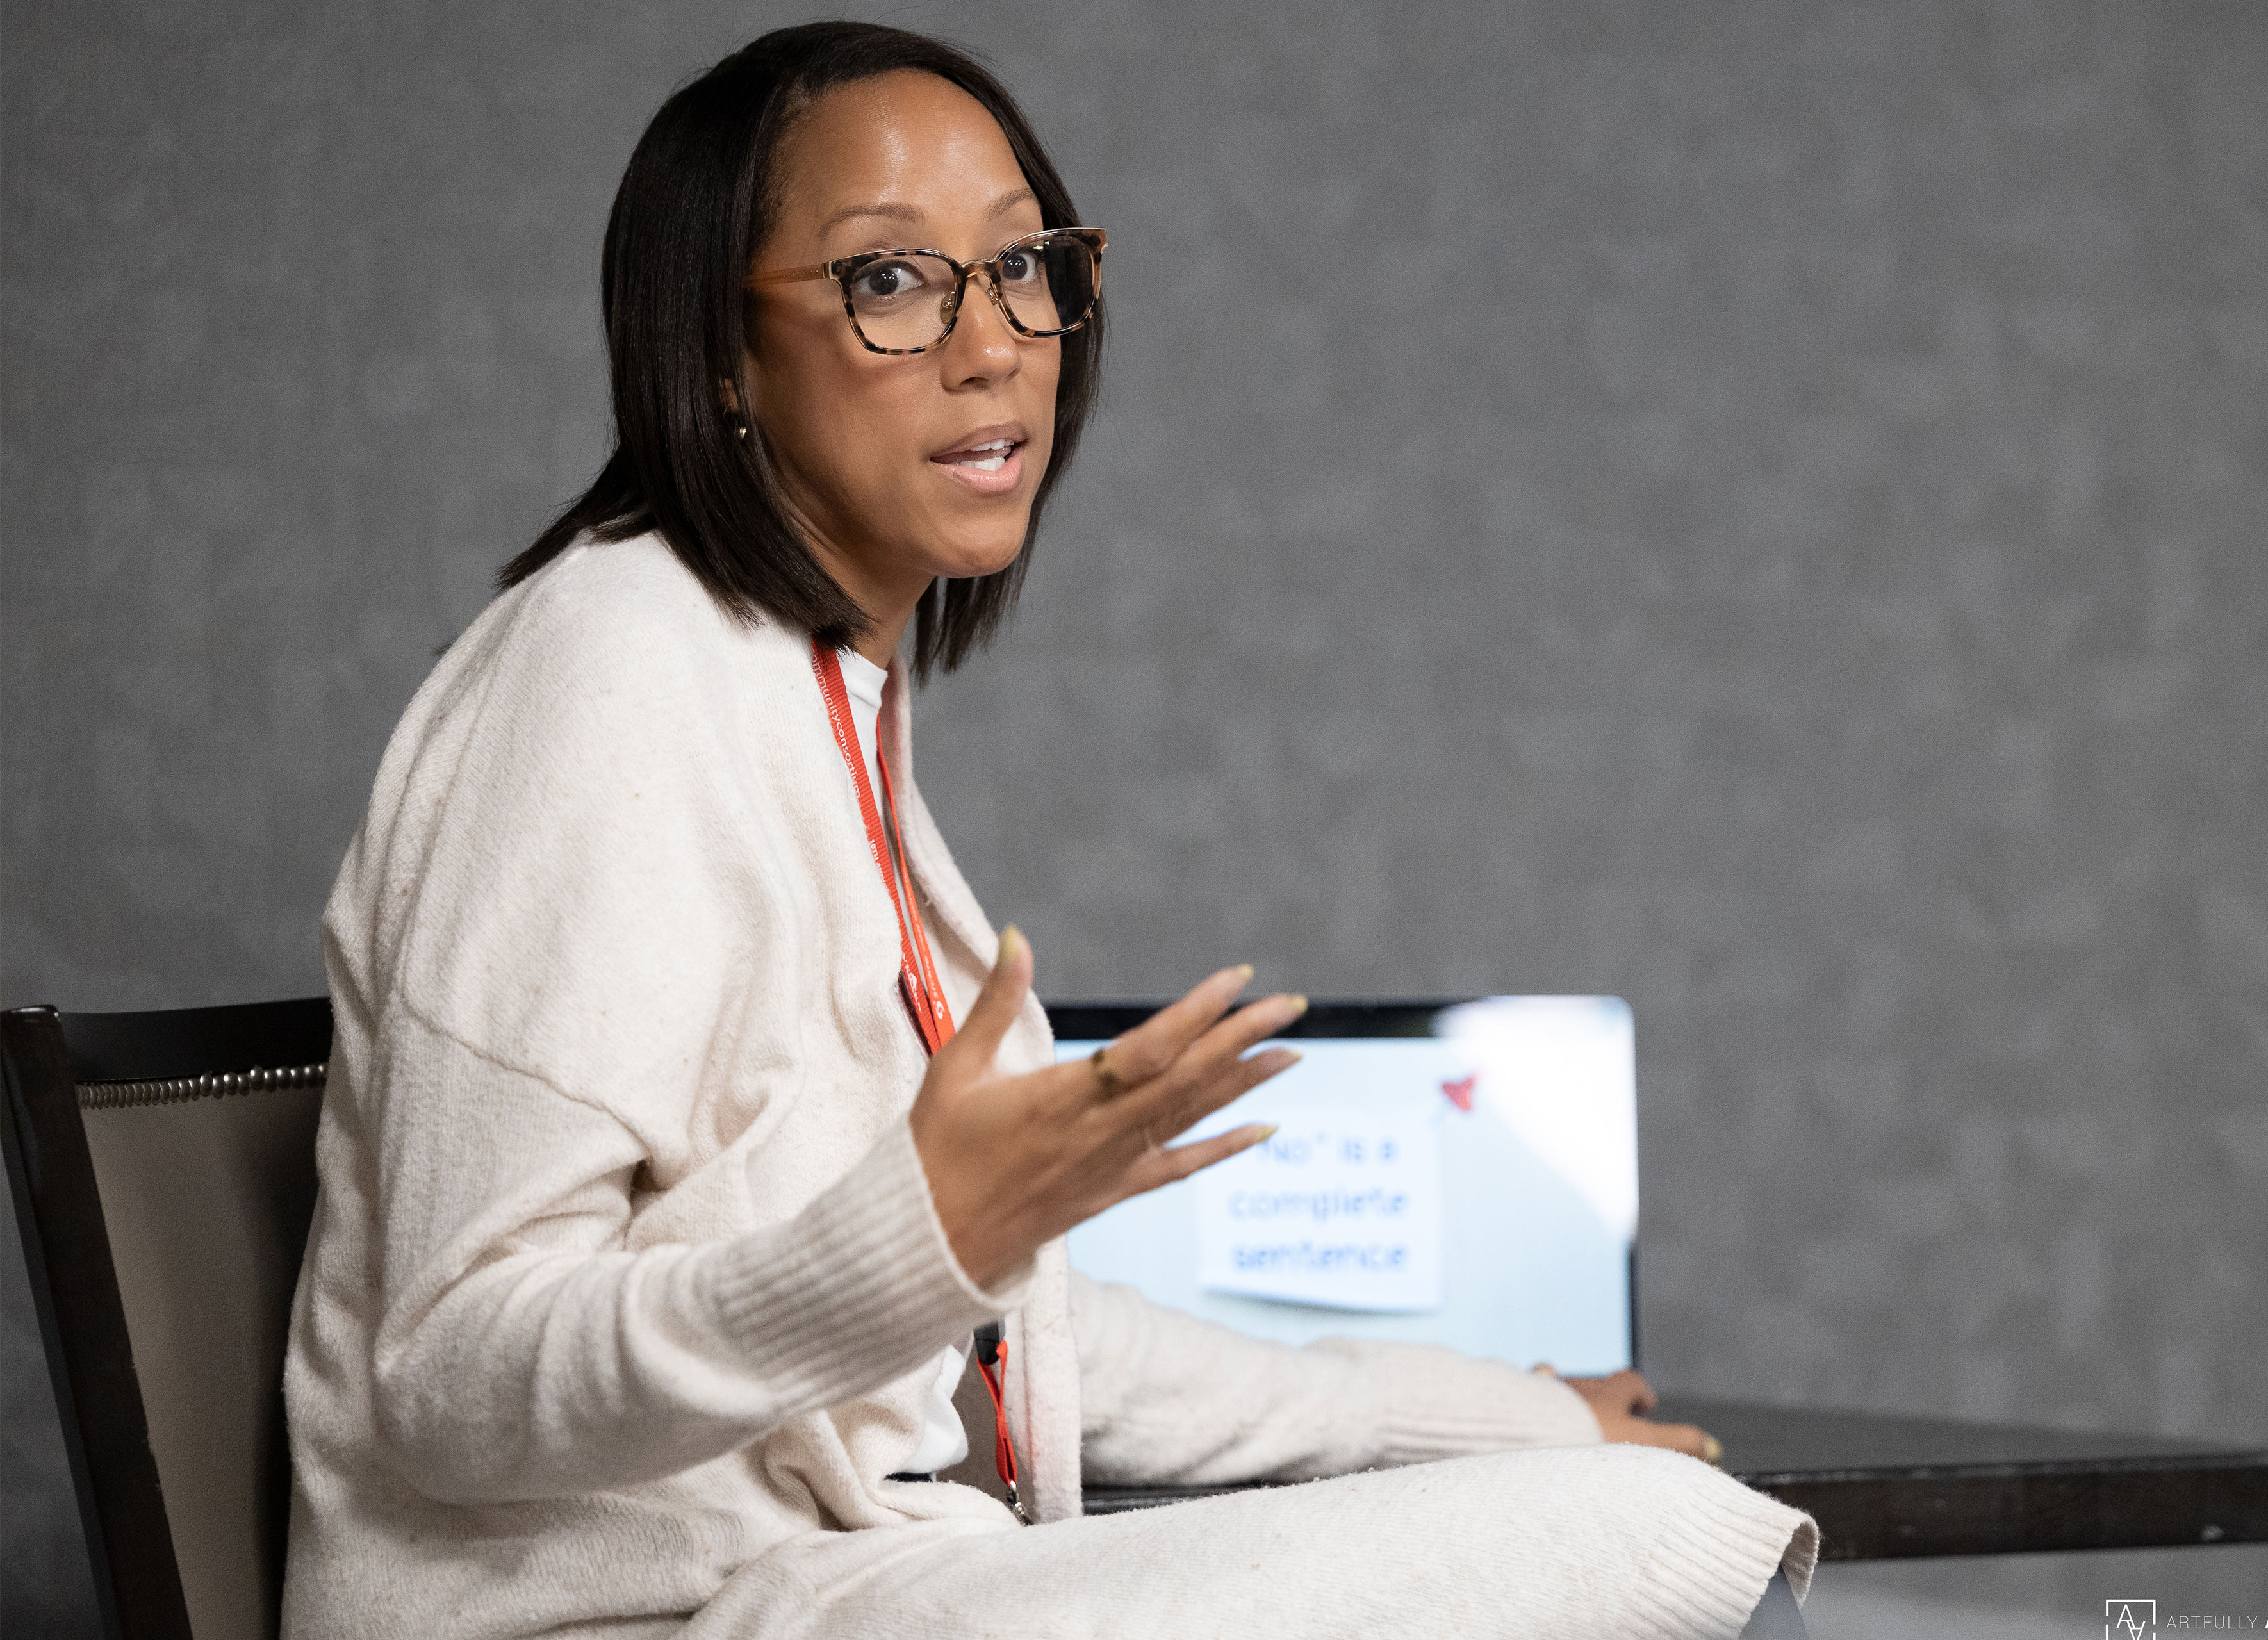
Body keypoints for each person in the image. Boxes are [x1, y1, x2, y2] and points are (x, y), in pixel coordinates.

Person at [281, 20, 1816, 1639]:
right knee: (1659, 1554)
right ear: (720, 354)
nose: (994, 341)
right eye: (891, 280)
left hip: (859, 1581)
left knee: (1632, 1518)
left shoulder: (808, 701)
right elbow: (452, 1373)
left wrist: (1486, 1413)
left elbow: (1025, 1331)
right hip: (655, 1618)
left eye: (1024, 264)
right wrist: (915, 1239)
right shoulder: (604, 673)